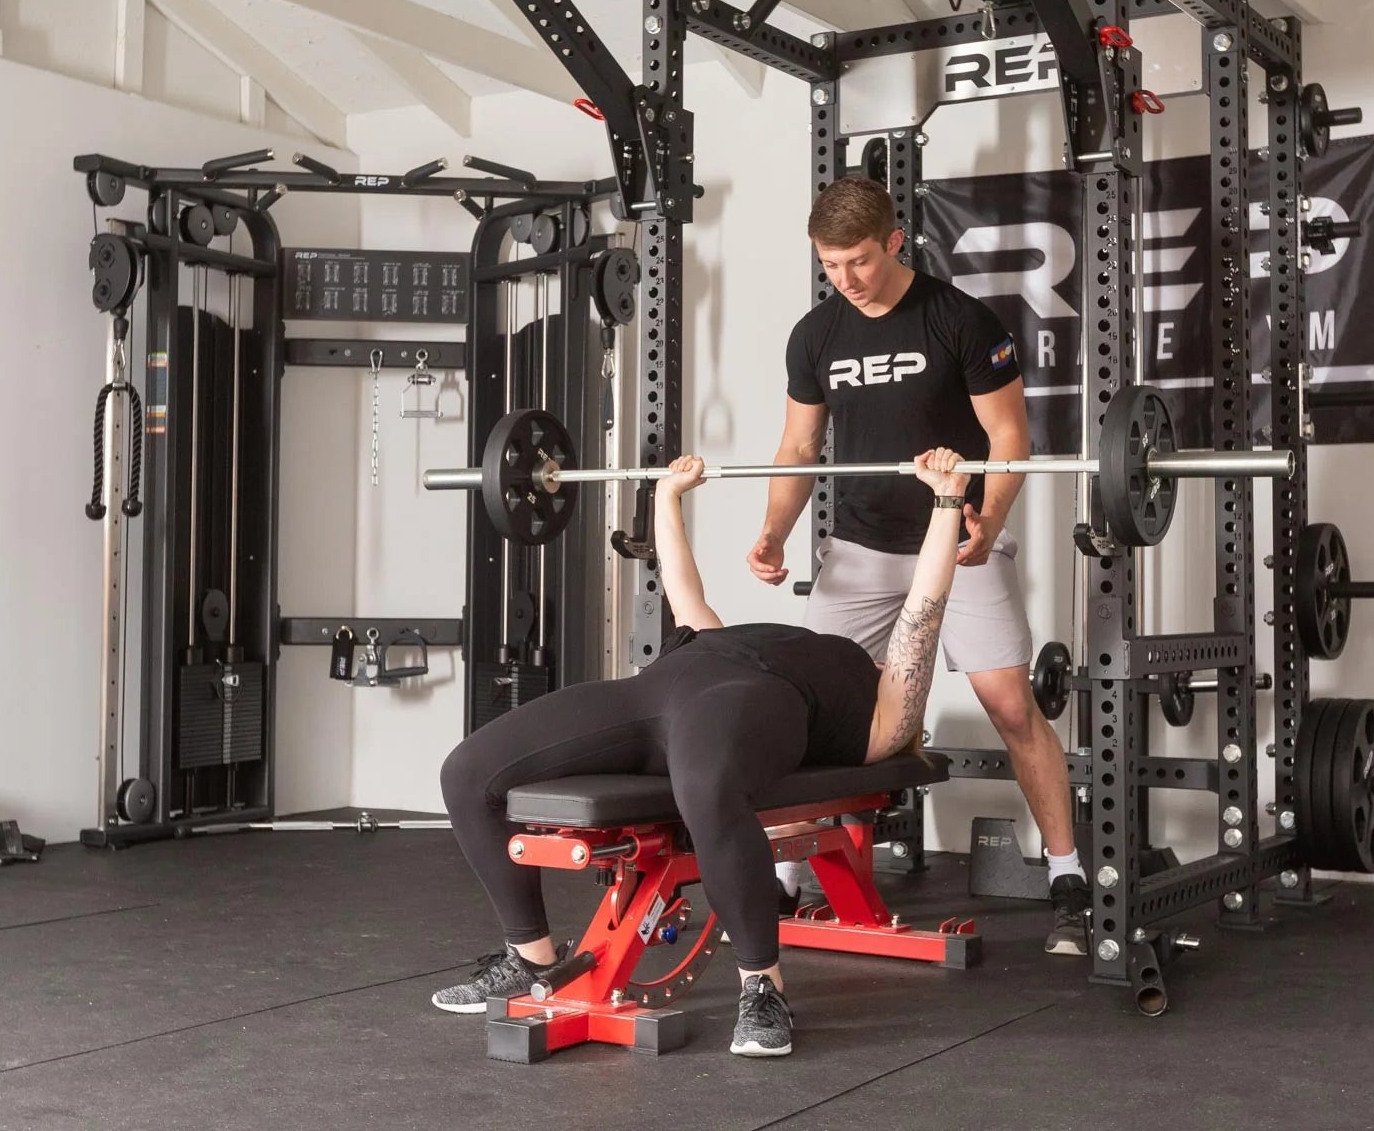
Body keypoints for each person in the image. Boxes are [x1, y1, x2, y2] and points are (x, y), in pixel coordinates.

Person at [433, 448, 973, 1059]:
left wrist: (947, 502)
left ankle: (762, 987)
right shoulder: (725, 635)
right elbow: (684, 591)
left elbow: (923, 612)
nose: (889, 659)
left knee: (706, 789)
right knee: (468, 772)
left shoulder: (886, 716)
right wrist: (668, 496)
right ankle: (530, 957)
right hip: (656, 686)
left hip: (747, 700)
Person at [746, 175, 1090, 956]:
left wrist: (988, 519)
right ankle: (788, 876)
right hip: (861, 548)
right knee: (815, 714)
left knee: (1011, 706)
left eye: (860, 261)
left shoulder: (959, 319)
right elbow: (799, 446)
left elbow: (1009, 437)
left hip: (956, 538)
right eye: (831, 264)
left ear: (895, 242)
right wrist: (773, 532)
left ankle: (1069, 875)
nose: (846, 278)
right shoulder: (815, 335)